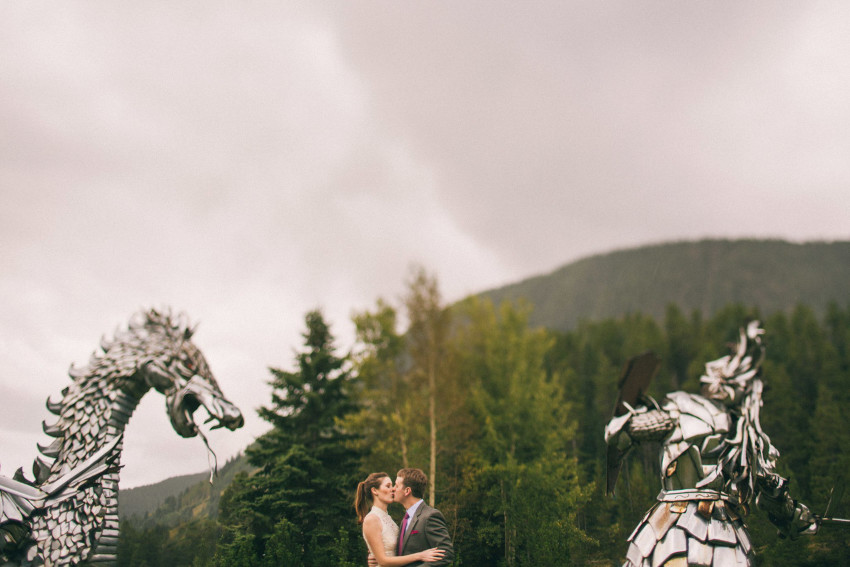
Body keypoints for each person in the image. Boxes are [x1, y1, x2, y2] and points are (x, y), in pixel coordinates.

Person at [604, 322, 818, 566]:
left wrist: (622, 423)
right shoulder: (745, 433)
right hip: (719, 532)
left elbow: (625, 431)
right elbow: (772, 495)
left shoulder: (690, 411)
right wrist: (800, 518)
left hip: (671, 528)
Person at [355, 472, 445, 566]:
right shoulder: (372, 519)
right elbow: (383, 561)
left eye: (393, 485)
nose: (393, 489)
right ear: (375, 491)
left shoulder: (389, 519)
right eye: (388, 486)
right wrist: (420, 556)